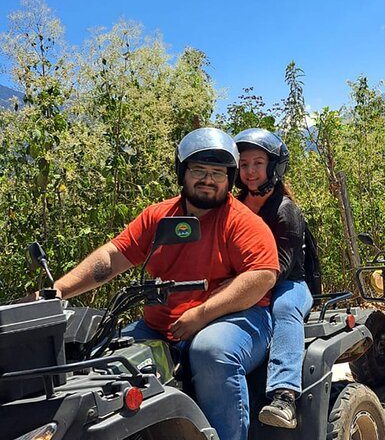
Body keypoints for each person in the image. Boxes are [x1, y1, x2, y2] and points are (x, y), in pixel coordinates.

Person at [47, 127, 279, 440]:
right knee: (102, 360)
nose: (208, 180)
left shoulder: (241, 221)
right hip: (161, 324)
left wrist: (204, 313)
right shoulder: (158, 217)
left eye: (217, 173)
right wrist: (58, 291)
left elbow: (262, 276)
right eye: (198, 170)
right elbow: (113, 256)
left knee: (211, 352)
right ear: (182, 173)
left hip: (236, 318)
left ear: (230, 178)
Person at [233, 128, 313, 430]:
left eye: (258, 163)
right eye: (244, 164)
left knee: (285, 309)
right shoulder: (233, 207)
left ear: (273, 167)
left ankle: (284, 396)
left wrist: (243, 287)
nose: (250, 171)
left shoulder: (285, 209)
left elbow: (283, 264)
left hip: (288, 284)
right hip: (244, 282)